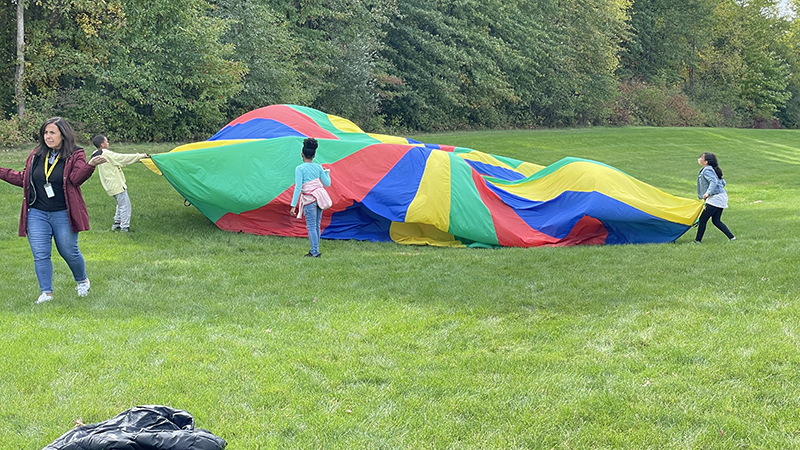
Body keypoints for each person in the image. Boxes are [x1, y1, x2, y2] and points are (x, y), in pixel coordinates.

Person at [0, 117, 107, 304]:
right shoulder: (36, 154)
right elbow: (24, 179)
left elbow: (75, 179)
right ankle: (46, 293)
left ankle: (82, 281)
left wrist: (90, 166)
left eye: (52, 133)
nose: (48, 137)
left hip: (63, 213)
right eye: (46, 132)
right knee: (41, 253)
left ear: (63, 135)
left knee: (68, 250)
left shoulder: (76, 154)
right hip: (37, 212)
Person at [92, 135, 149, 232]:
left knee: (120, 204)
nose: (108, 143)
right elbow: (122, 158)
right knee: (125, 206)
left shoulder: (96, 154)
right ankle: (124, 228)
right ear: (102, 144)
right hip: (116, 184)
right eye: (107, 141)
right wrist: (140, 156)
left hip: (109, 184)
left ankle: (117, 224)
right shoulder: (106, 154)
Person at [289, 138, 332, 257]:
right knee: (317, 225)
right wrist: (326, 172)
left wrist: (293, 205)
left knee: (311, 226)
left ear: (302, 154)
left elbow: (298, 188)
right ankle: (315, 250)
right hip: (319, 198)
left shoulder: (300, 169)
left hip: (309, 200)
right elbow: (327, 183)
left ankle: (314, 251)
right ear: (314, 155)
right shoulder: (318, 168)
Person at [694, 152, 736, 243]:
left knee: (702, 220)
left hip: (715, 198)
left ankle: (697, 241)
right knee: (716, 220)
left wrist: (708, 192)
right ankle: (732, 238)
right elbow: (722, 182)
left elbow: (714, 181)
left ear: (706, 161)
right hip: (721, 197)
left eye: (701, 157)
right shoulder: (713, 169)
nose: (699, 159)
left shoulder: (707, 170)